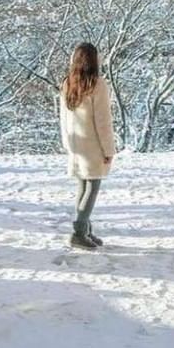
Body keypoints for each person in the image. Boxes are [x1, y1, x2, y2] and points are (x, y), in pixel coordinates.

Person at [58, 42, 116, 250]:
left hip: (76, 145)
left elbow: (63, 117)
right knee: (92, 188)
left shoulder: (68, 83)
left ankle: (86, 229)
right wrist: (108, 150)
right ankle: (79, 231)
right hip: (92, 145)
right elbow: (103, 121)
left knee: (83, 187)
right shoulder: (97, 84)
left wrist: (67, 144)